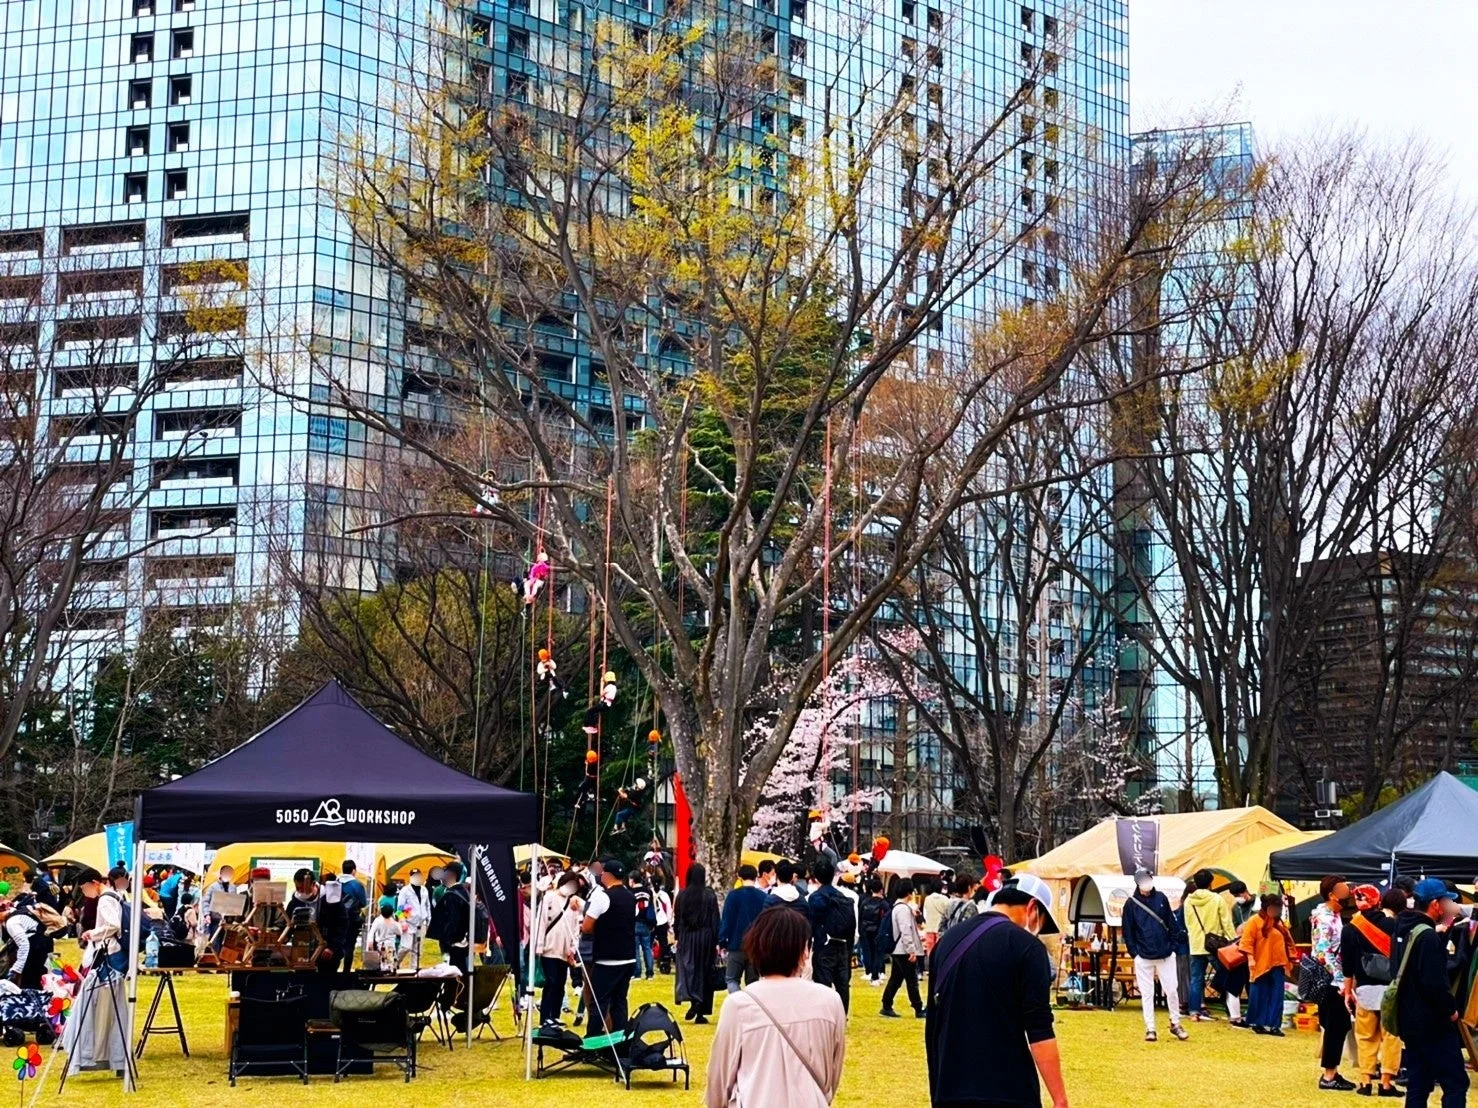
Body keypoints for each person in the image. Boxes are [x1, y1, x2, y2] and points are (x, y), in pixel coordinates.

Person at [926, 874, 1069, 1108]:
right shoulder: (1028, 947)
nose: (1038, 931)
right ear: (1033, 907)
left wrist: (937, 1089)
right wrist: (1060, 1099)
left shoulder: (947, 942)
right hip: (1008, 1090)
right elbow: (1039, 1029)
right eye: (1041, 923)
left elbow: (933, 1026)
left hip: (950, 1088)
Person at [705, 905, 847, 1108]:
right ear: (804, 951)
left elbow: (719, 1082)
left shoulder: (739, 1005)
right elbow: (831, 1075)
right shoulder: (830, 1001)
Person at [1392, 878, 1468, 1108]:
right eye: (1446, 901)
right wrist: (1451, 1010)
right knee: (1455, 1082)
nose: (1449, 906)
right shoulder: (1427, 936)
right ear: (1436, 904)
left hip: (1408, 1019)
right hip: (1433, 1022)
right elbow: (1434, 983)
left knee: (1418, 1083)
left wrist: (1443, 931)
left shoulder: (1402, 927)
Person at [62, 868, 129, 1078]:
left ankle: (95, 1055)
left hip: (109, 957)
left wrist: (94, 932)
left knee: (97, 1005)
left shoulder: (105, 899)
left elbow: (113, 925)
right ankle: (111, 1057)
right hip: (112, 957)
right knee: (111, 1006)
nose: (85, 893)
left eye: (84, 888)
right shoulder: (113, 896)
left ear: (93, 882)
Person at [1341, 884, 1402, 1097]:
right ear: (1378, 901)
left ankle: (1365, 1081)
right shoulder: (1393, 924)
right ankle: (1386, 1082)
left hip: (1364, 988)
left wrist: (1348, 991)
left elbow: (1347, 965)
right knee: (1391, 1036)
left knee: (1365, 1036)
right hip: (1390, 988)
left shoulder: (1350, 928)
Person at [1119, 868, 1188, 1042]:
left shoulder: (1161, 898)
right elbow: (1128, 931)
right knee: (1147, 993)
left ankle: (1175, 1022)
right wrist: (1134, 953)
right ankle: (1150, 1028)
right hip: (1143, 955)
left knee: (1172, 990)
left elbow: (1171, 923)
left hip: (1165, 953)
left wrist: (1172, 945)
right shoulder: (1131, 904)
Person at [1310, 874, 1357, 1092]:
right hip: (1331, 981)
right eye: (1344, 889)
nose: (1349, 892)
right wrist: (1340, 981)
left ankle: (1332, 1071)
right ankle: (1329, 1075)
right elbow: (1323, 952)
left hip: (1336, 980)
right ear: (1332, 894)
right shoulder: (1324, 918)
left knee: (1339, 1025)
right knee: (1335, 1025)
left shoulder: (1335, 915)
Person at [580, 857, 637, 1032]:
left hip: (607, 958)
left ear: (606, 876)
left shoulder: (602, 897)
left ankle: (592, 1041)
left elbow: (587, 926)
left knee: (598, 1002)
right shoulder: (630, 897)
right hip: (628, 957)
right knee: (620, 1002)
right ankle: (620, 1040)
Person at [1182, 867, 1235, 1023]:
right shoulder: (1217, 899)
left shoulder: (1188, 901)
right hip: (1215, 945)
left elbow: (1188, 923)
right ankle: (1231, 1009)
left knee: (1196, 979)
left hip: (1196, 944)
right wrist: (1232, 941)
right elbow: (1226, 922)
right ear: (1211, 883)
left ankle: (1194, 1011)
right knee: (1226, 976)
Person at [1239, 893, 1298, 1034]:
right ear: (1266, 908)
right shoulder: (1254, 921)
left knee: (1276, 995)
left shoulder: (1279, 924)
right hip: (1260, 963)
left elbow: (1289, 941)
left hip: (1278, 963)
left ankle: (1274, 1025)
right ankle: (1257, 1023)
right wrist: (1251, 959)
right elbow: (1246, 942)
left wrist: (1292, 958)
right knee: (1259, 993)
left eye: (1278, 908)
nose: (1275, 911)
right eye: (1273, 908)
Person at [806, 856, 855, 1013]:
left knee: (823, 983)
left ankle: (824, 1015)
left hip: (824, 945)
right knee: (842, 984)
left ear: (816, 877)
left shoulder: (816, 898)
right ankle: (842, 1016)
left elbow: (811, 924)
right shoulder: (843, 897)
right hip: (843, 945)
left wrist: (807, 947)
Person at [534, 869, 583, 1027]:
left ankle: (554, 1015)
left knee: (561, 984)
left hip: (564, 951)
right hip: (549, 948)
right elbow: (540, 922)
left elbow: (575, 929)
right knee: (551, 982)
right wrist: (539, 946)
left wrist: (572, 949)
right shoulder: (549, 898)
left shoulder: (572, 903)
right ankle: (545, 1018)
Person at [674, 862, 721, 1023]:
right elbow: (715, 919)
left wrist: (678, 936)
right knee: (705, 972)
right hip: (706, 937)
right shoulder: (709, 895)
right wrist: (717, 940)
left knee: (689, 970)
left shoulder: (682, 895)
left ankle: (693, 998)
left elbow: (677, 918)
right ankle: (701, 1010)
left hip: (687, 937)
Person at [719, 863, 768, 993]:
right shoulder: (764, 897)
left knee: (731, 979)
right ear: (755, 877)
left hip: (736, 944)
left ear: (739, 877)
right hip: (755, 946)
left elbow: (727, 920)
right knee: (753, 983)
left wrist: (722, 941)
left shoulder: (733, 896)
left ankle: (737, 1003)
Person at [880, 879, 925, 1018]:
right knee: (911, 980)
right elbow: (906, 930)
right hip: (904, 949)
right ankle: (918, 1007)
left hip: (899, 949)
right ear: (909, 892)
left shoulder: (898, 907)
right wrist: (911, 949)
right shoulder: (903, 909)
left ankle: (886, 1004)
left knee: (896, 978)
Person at [1, 899, 53, 989]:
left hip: (36, 948)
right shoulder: (17, 912)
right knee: (37, 977)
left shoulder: (11, 923)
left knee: (30, 981)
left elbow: (24, 946)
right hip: (43, 943)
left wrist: (17, 968)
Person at [857, 876, 889, 986]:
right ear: (881, 890)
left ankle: (870, 972)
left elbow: (860, 918)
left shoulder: (864, 902)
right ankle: (875, 976)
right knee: (878, 954)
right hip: (879, 932)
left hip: (866, 931)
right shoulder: (884, 904)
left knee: (869, 952)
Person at [397, 867, 433, 965]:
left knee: (417, 950)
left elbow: (428, 906)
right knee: (406, 947)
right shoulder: (405, 890)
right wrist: (402, 921)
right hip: (408, 923)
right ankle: (394, 963)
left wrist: (429, 921)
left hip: (421, 923)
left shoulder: (424, 890)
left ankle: (414, 970)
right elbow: (400, 908)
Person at [339, 859, 368, 970]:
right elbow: (363, 903)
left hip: (336, 920)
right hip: (352, 920)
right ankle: (346, 972)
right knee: (349, 947)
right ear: (353, 870)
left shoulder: (336, 882)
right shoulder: (357, 885)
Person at [198, 863, 235, 951]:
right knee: (215, 941)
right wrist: (207, 915)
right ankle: (214, 960)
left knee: (226, 942)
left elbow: (235, 902)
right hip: (215, 918)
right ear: (221, 873)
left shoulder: (233, 887)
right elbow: (205, 901)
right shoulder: (213, 887)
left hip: (228, 920)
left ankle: (220, 960)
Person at [632, 875, 657, 980]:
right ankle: (650, 973)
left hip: (635, 922)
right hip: (647, 922)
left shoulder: (631, 892)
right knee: (647, 948)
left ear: (632, 880)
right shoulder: (649, 892)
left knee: (636, 948)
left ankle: (637, 973)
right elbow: (653, 906)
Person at [366, 899, 403, 966]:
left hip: (380, 945)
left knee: (381, 962)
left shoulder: (378, 920)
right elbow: (400, 932)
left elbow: (371, 932)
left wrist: (370, 942)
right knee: (390, 963)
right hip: (391, 945)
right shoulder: (393, 922)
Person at [920, 875, 950, 959]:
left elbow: (925, 914)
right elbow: (948, 914)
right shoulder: (945, 899)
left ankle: (930, 967)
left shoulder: (927, 898)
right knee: (939, 950)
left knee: (930, 951)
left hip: (929, 928)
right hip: (940, 929)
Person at [652, 876, 674, 974]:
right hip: (663, 921)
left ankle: (652, 962)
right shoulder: (664, 895)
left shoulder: (650, 893)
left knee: (648, 944)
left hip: (652, 921)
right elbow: (668, 909)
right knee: (664, 943)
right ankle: (664, 961)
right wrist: (670, 922)